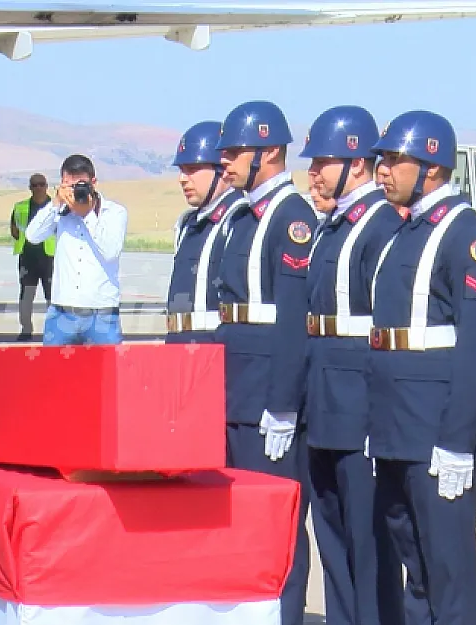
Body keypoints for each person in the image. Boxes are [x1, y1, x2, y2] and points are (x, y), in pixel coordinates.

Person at [367, 110, 476, 625]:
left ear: (431, 166)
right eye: (381, 160)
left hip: (436, 432)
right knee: (417, 571)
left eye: (394, 160)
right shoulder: (406, 231)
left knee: (449, 573)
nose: (382, 171)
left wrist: (456, 441)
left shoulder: (467, 237)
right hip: (397, 429)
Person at [300, 105, 409, 625]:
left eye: (324, 160)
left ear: (357, 165)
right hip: (324, 400)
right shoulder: (335, 224)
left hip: (359, 405)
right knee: (335, 540)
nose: (314, 171)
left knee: (369, 548)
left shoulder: (383, 225)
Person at [213, 100, 318, 625]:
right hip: (233, 387)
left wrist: (283, 404)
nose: (225, 161)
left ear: (270, 153)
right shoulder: (238, 215)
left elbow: (292, 318)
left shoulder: (292, 217)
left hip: (264, 395)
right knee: (234, 520)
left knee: (275, 525)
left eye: (236, 152)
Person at [25, 154, 129, 346]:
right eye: (69, 186)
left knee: (107, 375)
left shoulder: (114, 212)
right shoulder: (60, 212)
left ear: (94, 183)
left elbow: (111, 251)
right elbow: (32, 236)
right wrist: (55, 203)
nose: (75, 192)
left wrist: (87, 215)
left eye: (81, 185)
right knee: (53, 374)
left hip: (102, 314)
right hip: (62, 312)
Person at [164, 120, 246, 345]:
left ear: (222, 170)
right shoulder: (187, 223)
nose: (182, 179)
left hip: (213, 344)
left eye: (192, 169)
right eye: (181, 170)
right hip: (179, 342)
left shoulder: (240, 218)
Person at [10, 172, 55, 340]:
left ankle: (52, 330)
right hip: (28, 258)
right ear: (30, 187)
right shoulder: (20, 207)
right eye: (35, 185)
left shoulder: (56, 208)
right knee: (26, 295)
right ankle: (26, 329)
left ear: (46, 186)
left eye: (41, 184)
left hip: (50, 257)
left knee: (52, 296)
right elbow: (14, 229)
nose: (38, 188)